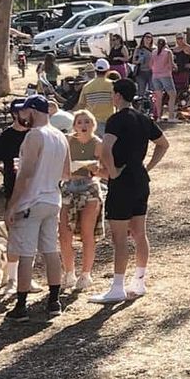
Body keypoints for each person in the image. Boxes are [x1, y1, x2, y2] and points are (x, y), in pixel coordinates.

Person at [94, 78, 168, 305]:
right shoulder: (143, 119)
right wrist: (148, 166)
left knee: (119, 238)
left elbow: (106, 149)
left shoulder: (116, 120)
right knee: (139, 233)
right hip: (140, 179)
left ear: (117, 95)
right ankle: (139, 281)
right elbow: (163, 144)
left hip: (123, 181)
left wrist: (113, 172)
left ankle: (117, 287)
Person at [4, 94, 70, 322]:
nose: (21, 115)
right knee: (50, 250)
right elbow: (66, 173)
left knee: (26, 253)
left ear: (32, 111)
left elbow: (26, 174)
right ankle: (54, 301)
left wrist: (12, 205)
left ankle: (21, 306)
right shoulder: (60, 136)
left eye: (24, 111)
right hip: (52, 199)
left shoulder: (34, 135)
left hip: (31, 201)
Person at [59, 110, 106, 294]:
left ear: (93, 125)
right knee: (64, 233)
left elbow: (106, 171)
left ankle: (86, 274)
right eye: (79, 122)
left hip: (89, 186)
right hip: (69, 186)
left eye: (87, 122)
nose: (83, 125)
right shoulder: (68, 141)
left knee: (87, 233)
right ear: (74, 126)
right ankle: (69, 272)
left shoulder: (98, 144)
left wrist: (95, 169)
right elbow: (61, 167)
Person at [0, 99, 29, 291]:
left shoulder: (36, 135)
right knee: (14, 238)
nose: (27, 115)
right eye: (23, 112)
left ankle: (26, 278)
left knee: (31, 240)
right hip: (13, 195)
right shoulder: (4, 139)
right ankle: (12, 279)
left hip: (36, 194)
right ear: (14, 114)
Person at [76, 58, 116, 133]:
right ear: (108, 70)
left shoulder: (87, 86)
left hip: (92, 122)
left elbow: (81, 105)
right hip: (109, 121)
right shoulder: (113, 85)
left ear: (95, 70)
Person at [150, 37, 177, 122]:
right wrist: (174, 68)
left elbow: (150, 64)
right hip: (165, 75)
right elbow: (171, 64)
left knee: (158, 97)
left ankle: (159, 117)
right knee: (172, 95)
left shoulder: (153, 52)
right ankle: (171, 117)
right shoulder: (168, 52)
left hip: (155, 76)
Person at [133, 32, 155, 101]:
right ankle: (141, 106)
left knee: (152, 91)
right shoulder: (138, 49)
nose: (148, 38)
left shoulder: (154, 49)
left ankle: (152, 106)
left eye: (149, 37)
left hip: (152, 72)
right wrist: (138, 61)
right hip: (141, 72)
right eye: (146, 37)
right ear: (143, 38)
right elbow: (133, 61)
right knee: (141, 92)